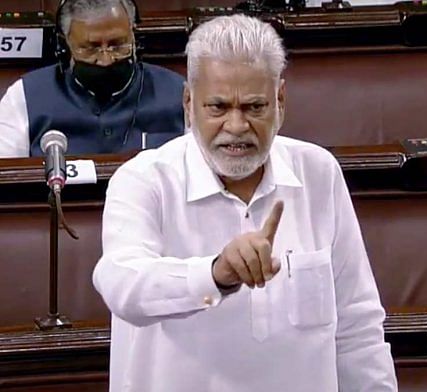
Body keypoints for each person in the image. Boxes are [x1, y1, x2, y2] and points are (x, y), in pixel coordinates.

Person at [92, 14, 397, 392]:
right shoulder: (144, 180)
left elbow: (357, 326)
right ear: (189, 103)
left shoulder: (319, 173)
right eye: (218, 107)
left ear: (280, 101)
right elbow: (123, 285)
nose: (236, 127)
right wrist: (215, 274)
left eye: (254, 107)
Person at [0, 0, 185, 157]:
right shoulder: (23, 97)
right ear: (63, 46)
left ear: (135, 38)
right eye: (90, 48)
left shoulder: (180, 94)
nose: (106, 60)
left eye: (117, 45)